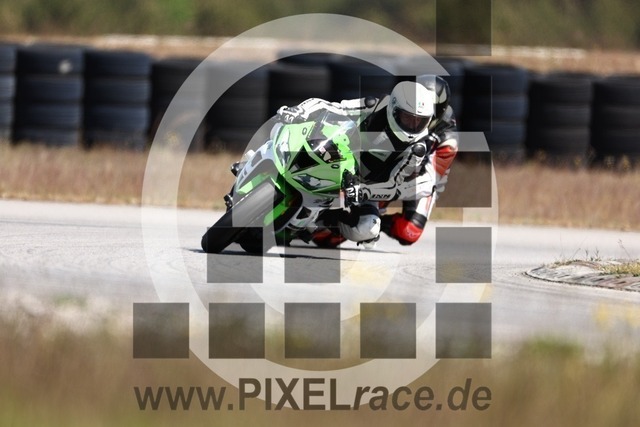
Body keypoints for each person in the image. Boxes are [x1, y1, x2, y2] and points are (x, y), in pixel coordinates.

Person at [275, 76, 459, 248]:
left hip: (409, 179)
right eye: (408, 115)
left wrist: (369, 191)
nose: (413, 121)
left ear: (437, 112)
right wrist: (300, 112)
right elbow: (337, 108)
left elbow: (426, 182)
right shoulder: (380, 106)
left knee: (408, 231)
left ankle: (332, 221)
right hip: (356, 162)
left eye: (420, 118)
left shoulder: (443, 141)